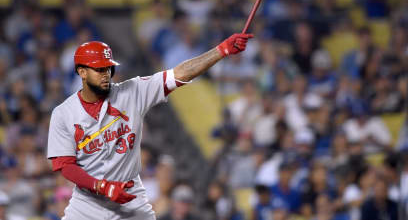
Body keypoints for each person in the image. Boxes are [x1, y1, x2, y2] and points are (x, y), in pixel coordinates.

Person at [47, 33, 253, 220]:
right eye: (99, 69)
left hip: (129, 197)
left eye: (109, 68)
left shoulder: (132, 92)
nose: (106, 73)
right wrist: (102, 187)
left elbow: (180, 74)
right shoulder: (64, 113)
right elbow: (65, 165)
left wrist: (221, 51)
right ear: (82, 72)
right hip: (87, 204)